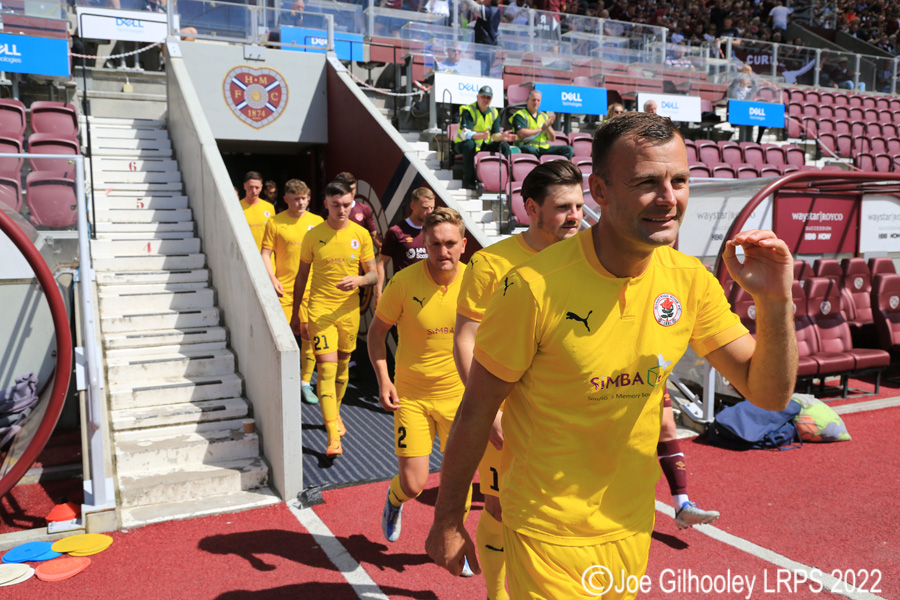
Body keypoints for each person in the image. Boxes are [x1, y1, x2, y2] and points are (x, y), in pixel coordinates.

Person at [426, 112, 798, 596]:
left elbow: (769, 393)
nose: (668, 199)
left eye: (679, 180)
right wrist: (449, 518)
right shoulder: (532, 287)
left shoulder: (689, 281)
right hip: (547, 529)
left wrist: (775, 304)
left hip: (630, 525)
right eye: (647, 182)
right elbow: (477, 409)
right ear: (599, 191)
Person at [453, 160, 584, 600]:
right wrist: (489, 412)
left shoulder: (590, 257)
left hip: (569, 412)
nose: (576, 216)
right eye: (563, 207)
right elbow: (465, 340)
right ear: (531, 207)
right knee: (499, 504)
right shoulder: (491, 264)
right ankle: (497, 593)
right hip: (508, 411)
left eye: (580, 206)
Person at [368, 207, 470, 547]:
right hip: (411, 397)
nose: (443, 252)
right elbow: (376, 333)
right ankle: (394, 501)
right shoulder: (403, 282)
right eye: (435, 244)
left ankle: (454, 540)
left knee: (459, 481)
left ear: (463, 245)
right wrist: (384, 379)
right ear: (423, 244)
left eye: (450, 243)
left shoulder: (478, 282)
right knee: (414, 484)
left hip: (459, 399)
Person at [291, 181, 377, 457]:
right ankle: (331, 434)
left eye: (347, 205)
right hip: (320, 312)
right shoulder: (313, 235)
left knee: (342, 367)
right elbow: (302, 276)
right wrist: (296, 313)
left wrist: (360, 279)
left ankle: (336, 412)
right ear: (326, 204)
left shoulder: (361, 235)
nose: (342, 210)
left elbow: (374, 274)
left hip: (349, 313)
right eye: (336, 205)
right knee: (326, 370)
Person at [261, 179, 324, 406]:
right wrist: (272, 278)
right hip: (284, 291)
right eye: (296, 198)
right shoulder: (275, 223)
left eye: (305, 198)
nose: (301, 203)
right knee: (284, 338)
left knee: (309, 335)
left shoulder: (317, 222)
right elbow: (266, 254)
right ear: (286, 198)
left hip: (312, 290)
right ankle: (279, 380)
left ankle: (305, 383)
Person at [375, 187, 435, 306]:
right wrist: (378, 294)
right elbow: (381, 263)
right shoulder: (396, 231)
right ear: (412, 206)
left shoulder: (435, 230)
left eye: (432, 208)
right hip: (404, 295)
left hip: (431, 292)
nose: (429, 211)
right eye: (425, 208)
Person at [454, 86, 517, 191]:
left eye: (488, 97)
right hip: (462, 144)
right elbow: (466, 134)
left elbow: (495, 135)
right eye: (483, 97)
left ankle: (509, 181)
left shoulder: (494, 112)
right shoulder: (468, 110)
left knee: (504, 146)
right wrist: (481, 136)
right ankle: (469, 181)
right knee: (470, 144)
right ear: (478, 97)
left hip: (482, 146)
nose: (486, 100)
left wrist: (502, 136)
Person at [511, 90, 574, 160]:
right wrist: (541, 129)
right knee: (531, 149)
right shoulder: (520, 115)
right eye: (533, 100)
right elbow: (521, 133)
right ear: (527, 100)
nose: (536, 102)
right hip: (526, 146)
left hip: (543, 148)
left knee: (568, 149)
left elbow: (552, 138)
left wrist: (548, 127)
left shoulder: (544, 116)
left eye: (538, 100)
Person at [332, 172, 381, 251]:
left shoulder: (364, 209)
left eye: (353, 189)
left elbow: (374, 236)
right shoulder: (329, 211)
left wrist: (382, 248)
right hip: (336, 259)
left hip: (358, 260)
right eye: (347, 189)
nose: (351, 193)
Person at [462, 0, 501, 76]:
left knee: (482, 74)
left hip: (483, 48)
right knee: (485, 73)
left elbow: (473, 6)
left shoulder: (490, 11)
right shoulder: (496, 10)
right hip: (489, 47)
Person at [240, 171, 275, 252]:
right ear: (244, 186)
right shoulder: (237, 207)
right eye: (251, 187)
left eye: (257, 187)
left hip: (266, 257)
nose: (254, 191)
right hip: (245, 254)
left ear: (261, 187)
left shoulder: (269, 207)